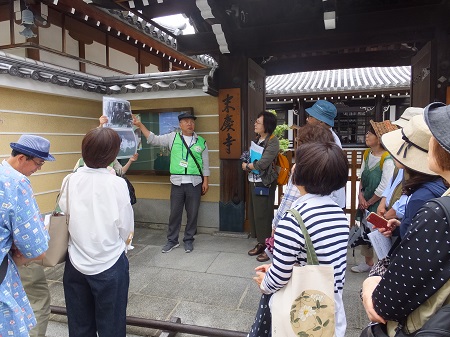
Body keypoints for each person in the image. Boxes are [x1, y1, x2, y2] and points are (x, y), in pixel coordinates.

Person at [361, 102, 450, 336]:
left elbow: (384, 305)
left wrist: (370, 283)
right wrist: (404, 226)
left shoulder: (436, 210)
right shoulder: (438, 194)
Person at [251, 142, 349, 337]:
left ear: (300, 175)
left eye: (297, 162)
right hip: (329, 307)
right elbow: (321, 259)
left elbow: (279, 277)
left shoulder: (294, 218)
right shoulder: (338, 213)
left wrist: (265, 282)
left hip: (302, 315)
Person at [59, 127, 134, 337]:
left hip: (75, 261)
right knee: (112, 325)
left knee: (79, 325)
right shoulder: (117, 184)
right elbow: (126, 225)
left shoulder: (69, 180)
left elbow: (63, 214)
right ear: (112, 154)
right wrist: (125, 245)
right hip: (109, 261)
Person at [133, 112, 210, 253]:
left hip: (195, 183)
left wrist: (206, 181)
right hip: (177, 183)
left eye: (192, 122)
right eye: (186, 121)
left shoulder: (201, 141)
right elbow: (153, 139)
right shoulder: (172, 137)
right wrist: (140, 125)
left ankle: (188, 240)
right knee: (175, 213)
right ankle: (172, 240)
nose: (189, 124)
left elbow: (205, 164)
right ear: (180, 124)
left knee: (192, 214)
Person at [0, 135, 52, 337]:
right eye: (38, 163)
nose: (38, 169)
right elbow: (35, 247)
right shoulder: (17, 182)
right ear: (22, 158)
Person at [380, 115, 447, 239]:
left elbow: (414, 246)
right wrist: (403, 226)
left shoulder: (420, 198)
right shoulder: (439, 184)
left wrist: (405, 228)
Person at [351, 120, 397, 273]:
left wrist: (368, 201)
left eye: (370, 133)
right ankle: (368, 262)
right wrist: (360, 197)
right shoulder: (367, 154)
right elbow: (361, 177)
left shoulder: (387, 159)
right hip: (366, 200)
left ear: (379, 138)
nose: (367, 135)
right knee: (365, 231)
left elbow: (385, 186)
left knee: (379, 234)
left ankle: (382, 266)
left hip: (377, 204)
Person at [272, 123, 335, 232]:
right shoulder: (329, 164)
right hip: (322, 223)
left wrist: (276, 226)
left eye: (298, 142)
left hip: (297, 224)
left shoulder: (301, 167)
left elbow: (289, 200)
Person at [242, 111, 279, 262]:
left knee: (264, 213)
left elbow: (263, 163)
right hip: (254, 180)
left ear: (267, 125)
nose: (255, 124)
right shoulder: (258, 139)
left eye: (258, 122)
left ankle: (268, 246)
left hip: (264, 182)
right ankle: (261, 242)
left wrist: (248, 166)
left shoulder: (273, 141)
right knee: (255, 213)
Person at [376, 107, 424, 220]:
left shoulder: (418, 164)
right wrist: (382, 202)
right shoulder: (402, 157)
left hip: (400, 217)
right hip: (390, 213)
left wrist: (388, 215)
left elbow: (408, 196)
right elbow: (392, 181)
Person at [304, 100, 346, 209]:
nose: (307, 119)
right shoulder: (328, 137)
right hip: (328, 197)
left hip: (330, 199)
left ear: (321, 121)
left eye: (310, 116)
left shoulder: (329, 141)